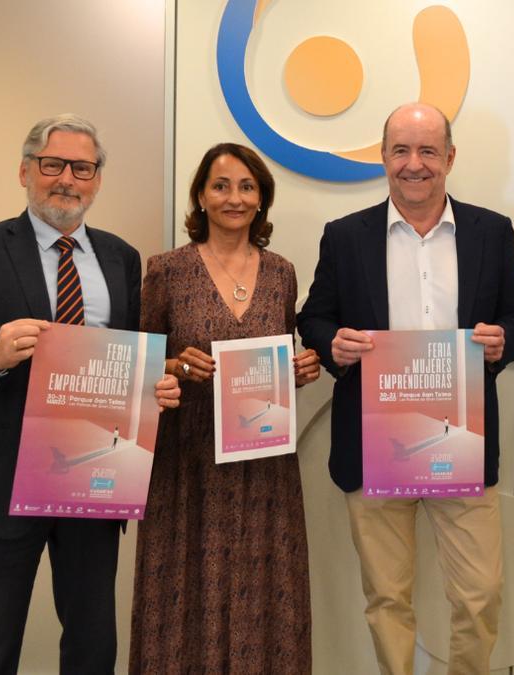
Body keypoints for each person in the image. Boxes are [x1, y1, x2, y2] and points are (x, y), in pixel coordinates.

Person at [0, 113, 181, 675]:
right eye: (53, 164)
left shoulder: (120, 257)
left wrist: (150, 386)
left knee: (92, 645)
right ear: (24, 171)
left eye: (82, 167)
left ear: (97, 179)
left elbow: (125, 360)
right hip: (0, 480)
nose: (67, 178)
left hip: (95, 475)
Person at [297, 102, 514, 675]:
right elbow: (315, 316)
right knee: (386, 598)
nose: (414, 164)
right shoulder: (345, 236)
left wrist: (504, 340)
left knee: (480, 596)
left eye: (428, 150)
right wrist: (335, 346)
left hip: (463, 437)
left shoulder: (492, 231)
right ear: (382, 157)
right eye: (400, 150)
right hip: (375, 443)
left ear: (450, 158)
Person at [129, 142, 321, 674]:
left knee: (267, 589)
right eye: (220, 185)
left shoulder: (282, 273)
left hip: (264, 467)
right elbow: (136, 364)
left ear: (262, 199)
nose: (233, 197)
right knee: (182, 593)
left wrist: (300, 372)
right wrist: (172, 367)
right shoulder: (166, 271)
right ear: (200, 196)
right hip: (186, 463)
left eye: (246, 186)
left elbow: (273, 363)